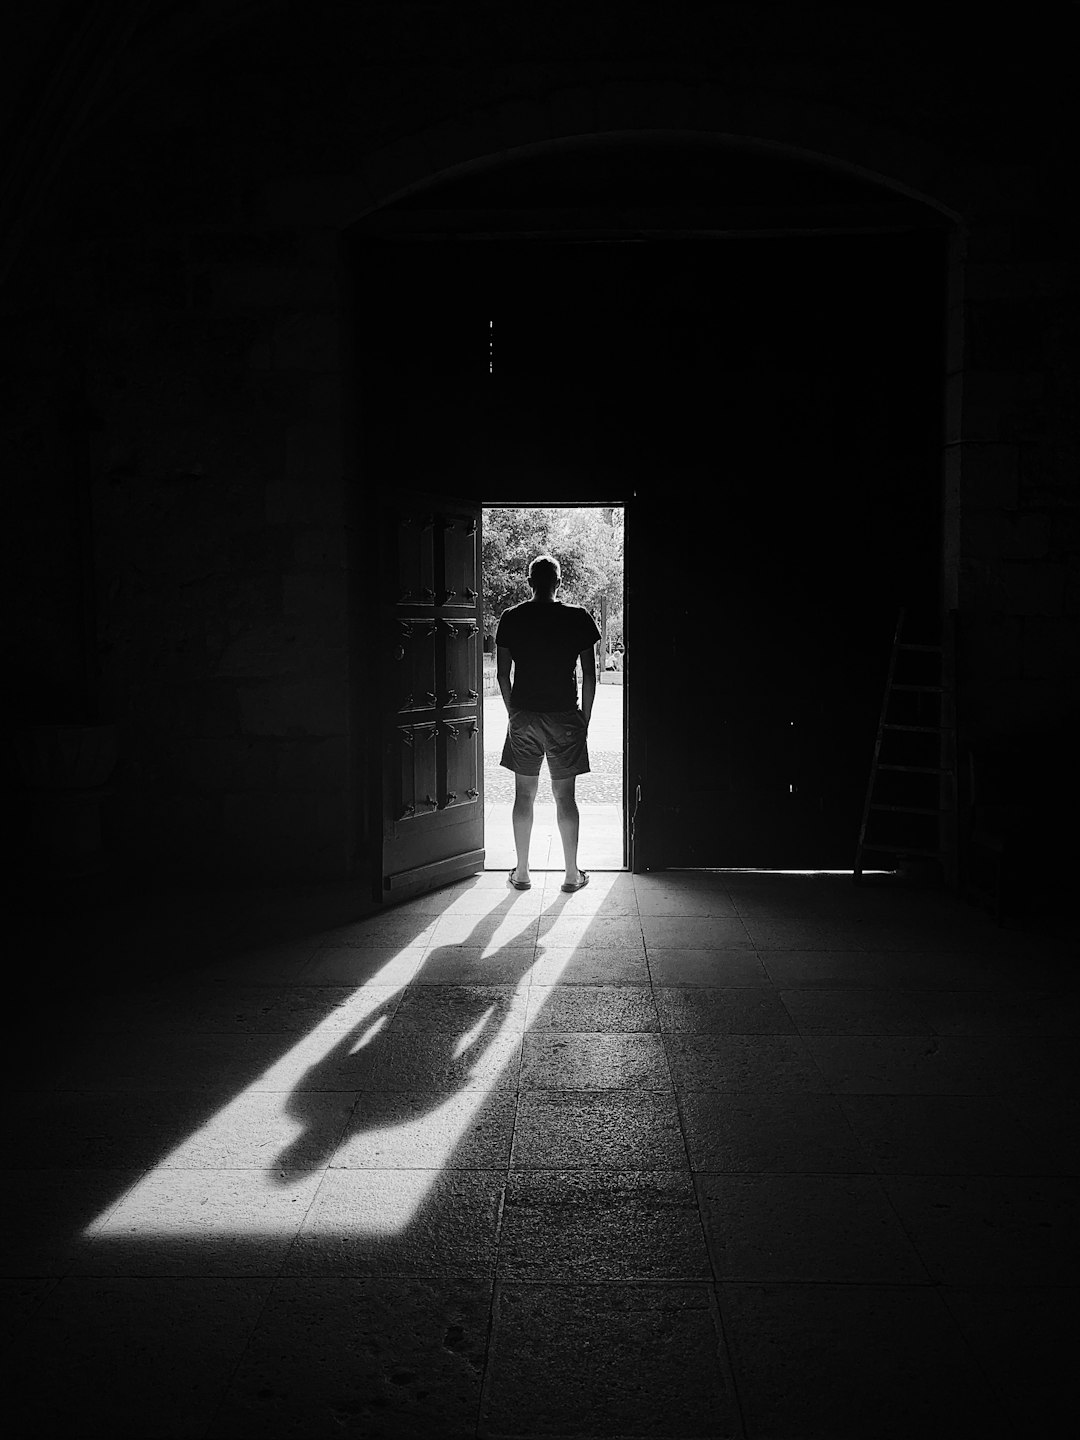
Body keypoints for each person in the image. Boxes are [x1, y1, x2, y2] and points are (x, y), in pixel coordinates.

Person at [496, 553, 600, 893]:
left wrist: (514, 712)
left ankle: (522, 872)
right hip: (564, 716)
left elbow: (502, 674)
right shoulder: (578, 617)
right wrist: (584, 716)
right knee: (564, 797)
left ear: (529, 582)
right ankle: (571, 874)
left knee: (524, 796)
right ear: (559, 582)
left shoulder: (511, 618)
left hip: (524, 715)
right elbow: (589, 674)